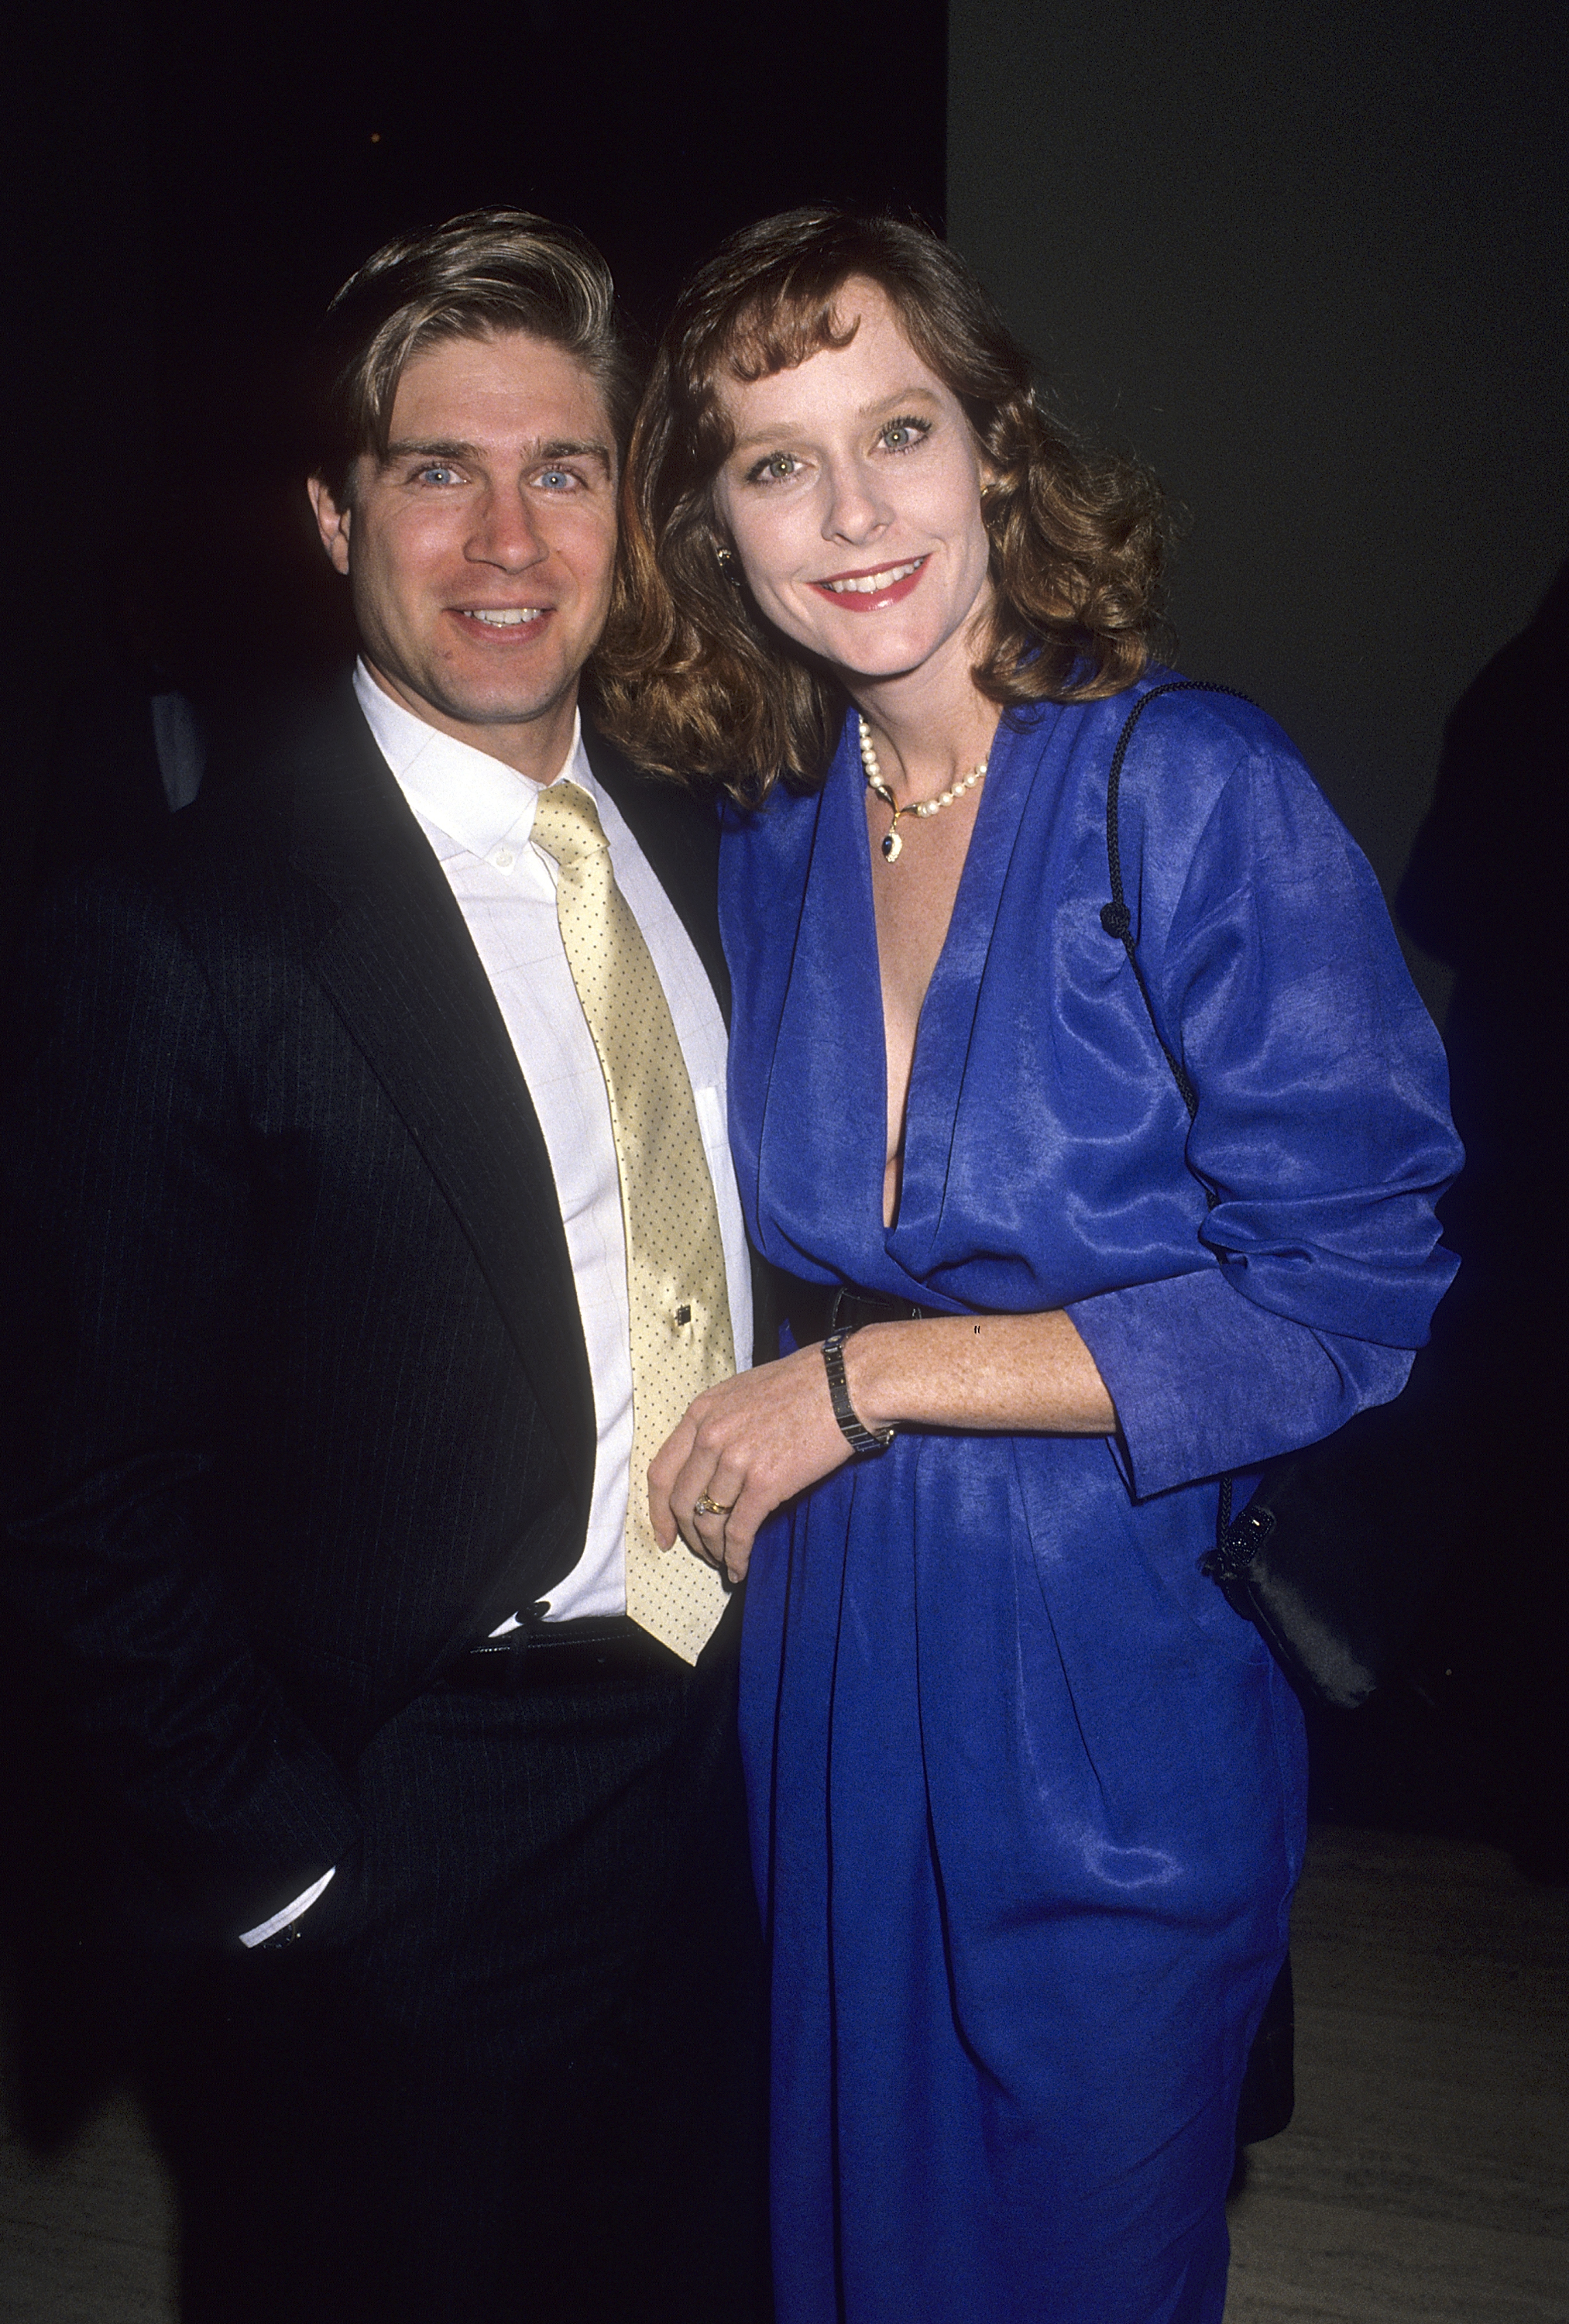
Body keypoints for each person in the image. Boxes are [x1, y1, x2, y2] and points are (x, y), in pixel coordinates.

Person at [596, 208, 1462, 2324]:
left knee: (1084, 2234)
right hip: (833, 1648)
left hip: (1115, 1648)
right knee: (846, 2232)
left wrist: (860, 1384)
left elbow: (1344, 1296)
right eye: (775, 462)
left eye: (897, 427)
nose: (854, 511)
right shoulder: (782, 824)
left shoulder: (1195, 790)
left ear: (997, 444)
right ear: (712, 529)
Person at [0, 211, 769, 2324]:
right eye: (438, 468)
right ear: (337, 510)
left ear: (635, 504)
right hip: (411, 1816)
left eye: (564, 467)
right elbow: (71, 1493)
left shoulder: (709, 852)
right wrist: (294, 1875)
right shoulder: (183, 931)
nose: (505, 537)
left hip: (717, 1778)